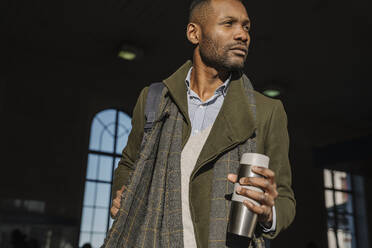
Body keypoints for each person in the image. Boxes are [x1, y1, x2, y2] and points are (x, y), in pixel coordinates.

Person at [105, 0, 295, 247]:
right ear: (194, 33)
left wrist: (269, 213)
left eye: (246, 27)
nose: (243, 35)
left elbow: (285, 199)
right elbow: (129, 163)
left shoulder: (267, 112)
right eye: (229, 24)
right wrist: (121, 195)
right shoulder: (153, 100)